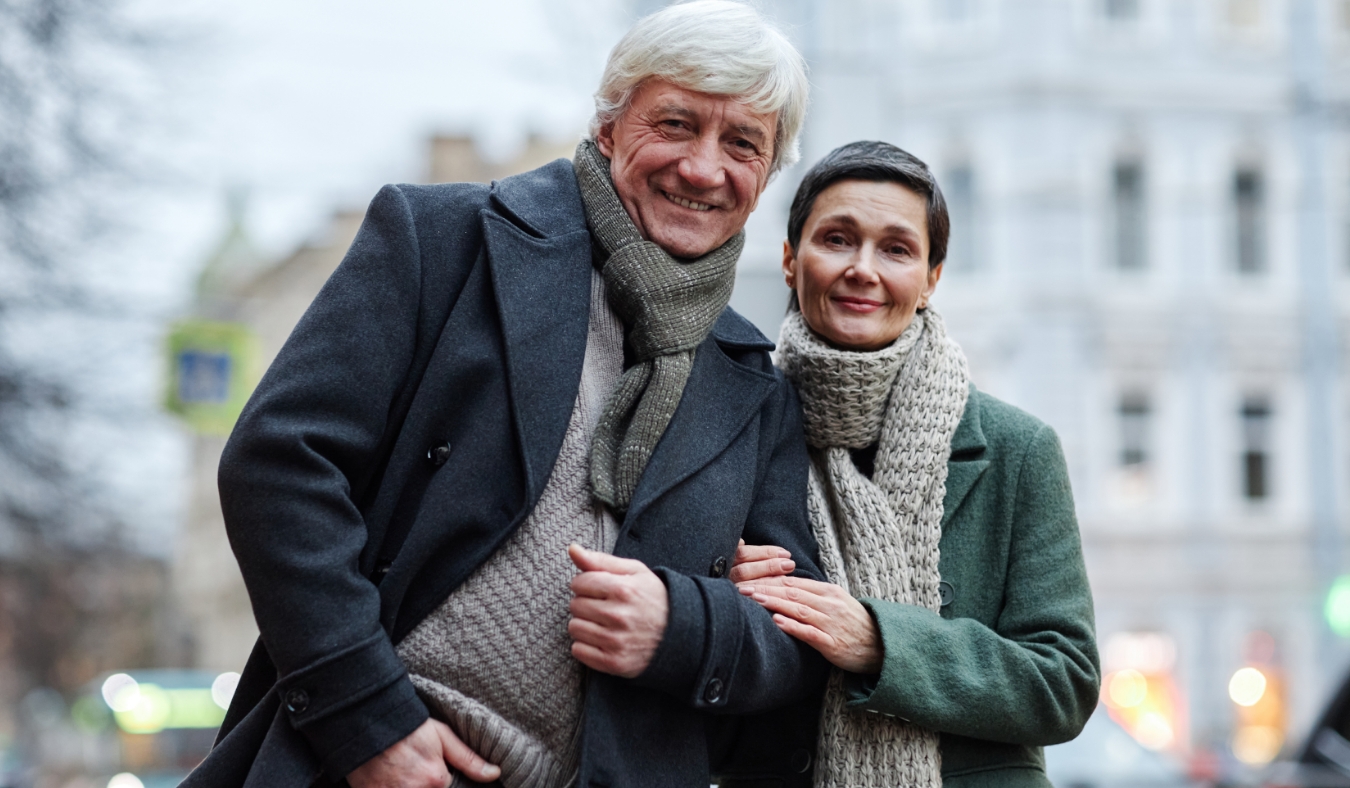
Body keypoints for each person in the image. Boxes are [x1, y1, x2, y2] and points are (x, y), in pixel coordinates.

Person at [182, 4, 828, 787]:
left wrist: (682, 625)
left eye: (741, 144)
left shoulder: (755, 386)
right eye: (676, 124)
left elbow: (794, 643)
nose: (702, 167)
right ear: (609, 127)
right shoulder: (441, 240)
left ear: (765, 176)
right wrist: (371, 725)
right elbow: (278, 465)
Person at [719, 141, 1100, 788]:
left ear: (930, 279)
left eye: (896, 249)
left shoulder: (1016, 449)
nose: (863, 269)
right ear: (789, 260)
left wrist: (880, 642)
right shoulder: (728, 433)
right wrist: (716, 595)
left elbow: (1064, 682)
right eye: (837, 239)